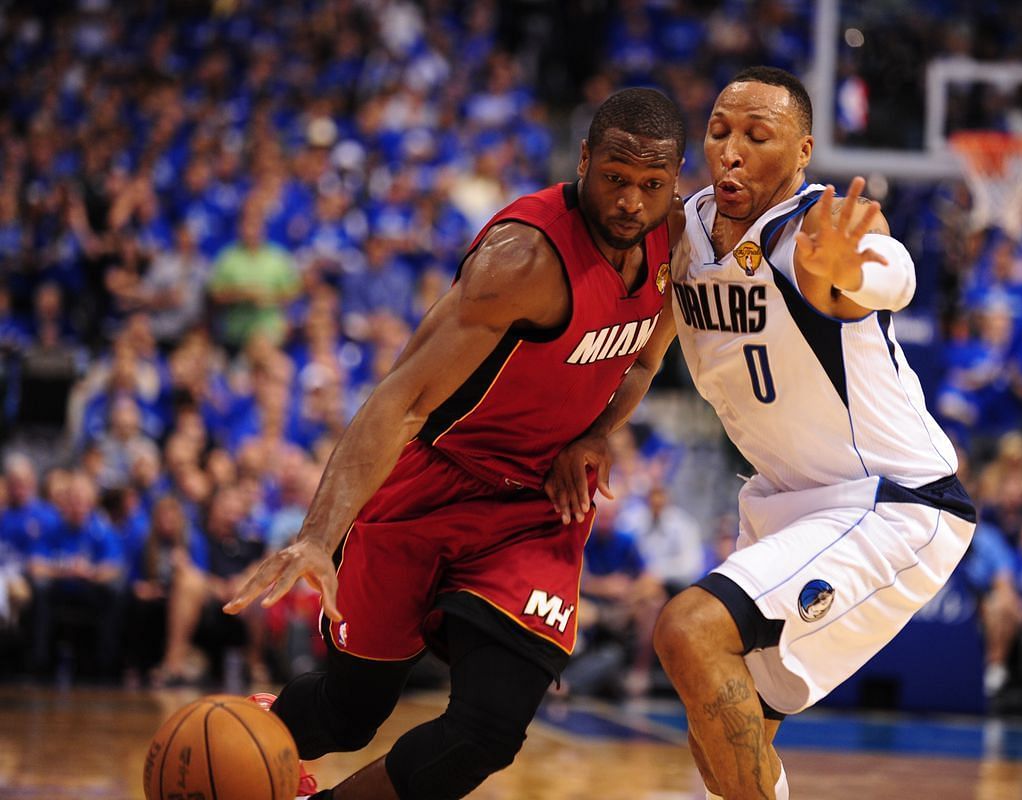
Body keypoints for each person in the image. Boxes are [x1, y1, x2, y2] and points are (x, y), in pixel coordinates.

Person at [223, 88, 686, 800]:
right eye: (615, 179)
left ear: (674, 182)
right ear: (585, 160)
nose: (631, 201)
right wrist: (319, 534)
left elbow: (646, 361)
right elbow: (401, 399)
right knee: (350, 713)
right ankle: (226, 751)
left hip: (538, 503)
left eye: (650, 186)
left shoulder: (677, 241)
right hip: (436, 479)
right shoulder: (523, 261)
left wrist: (593, 437)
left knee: (488, 732)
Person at [547, 67, 975, 800]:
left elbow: (883, 273)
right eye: (719, 132)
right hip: (786, 503)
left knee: (688, 628)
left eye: (757, 135)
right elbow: (651, 353)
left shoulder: (812, 231)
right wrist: (600, 431)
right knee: (720, 738)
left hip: (891, 503)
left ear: (803, 151)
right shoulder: (685, 228)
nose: (732, 151)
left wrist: (856, 270)